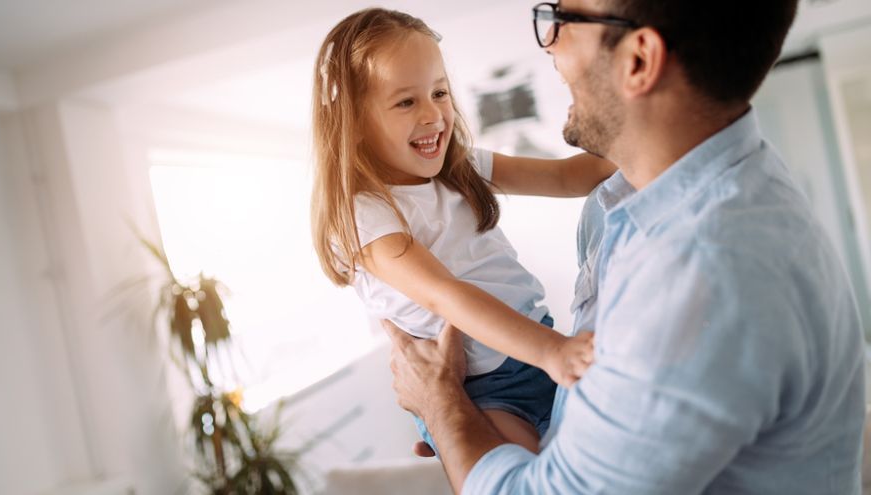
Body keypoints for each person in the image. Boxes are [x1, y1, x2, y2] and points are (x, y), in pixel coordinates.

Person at [385, 0, 867, 493]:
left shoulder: (701, 273)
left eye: (560, 22)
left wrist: (442, 405)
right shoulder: (626, 202)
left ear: (638, 61)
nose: (549, 45)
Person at [309, 9, 615, 456]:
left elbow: (568, 179)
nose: (434, 114)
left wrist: (647, 143)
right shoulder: (364, 213)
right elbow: (444, 294)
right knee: (528, 476)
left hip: (532, 347)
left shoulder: (461, 166)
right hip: (482, 389)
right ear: (353, 124)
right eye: (406, 102)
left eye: (439, 92)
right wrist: (553, 351)